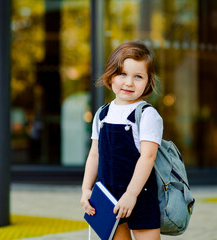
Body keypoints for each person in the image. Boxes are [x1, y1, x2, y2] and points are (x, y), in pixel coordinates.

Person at [80, 41, 163, 240]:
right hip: (107, 198)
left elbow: (148, 157)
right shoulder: (102, 114)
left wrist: (131, 195)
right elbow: (94, 154)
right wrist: (86, 189)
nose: (129, 83)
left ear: (148, 81)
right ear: (110, 75)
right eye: (122, 74)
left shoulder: (146, 114)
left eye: (138, 77)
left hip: (140, 195)